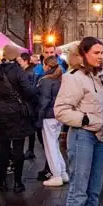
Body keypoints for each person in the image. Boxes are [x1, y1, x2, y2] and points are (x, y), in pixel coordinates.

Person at [55, 37, 103, 206]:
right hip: (83, 136)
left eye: (102, 53)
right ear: (84, 54)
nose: (101, 57)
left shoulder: (99, 77)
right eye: (97, 53)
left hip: (100, 136)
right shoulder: (74, 78)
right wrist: (86, 120)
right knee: (79, 188)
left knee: (94, 188)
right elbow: (61, 110)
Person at [0, 44, 37, 193]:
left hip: (0, 115)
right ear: (16, 56)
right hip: (17, 115)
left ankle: (2, 181)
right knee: (18, 149)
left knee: (2, 149)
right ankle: (17, 182)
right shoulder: (18, 72)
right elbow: (28, 91)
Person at [37, 56, 67, 187]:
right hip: (59, 115)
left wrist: (39, 118)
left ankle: (56, 175)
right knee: (54, 144)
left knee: (50, 146)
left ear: (47, 66)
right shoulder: (62, 78)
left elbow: (44, 101)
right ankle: (63, 172)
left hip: (48, 116)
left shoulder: (46, 81)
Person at [20, 52, 41, 160]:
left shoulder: (29, 73)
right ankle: (30, 149)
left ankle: (31, 150)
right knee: (31, 128)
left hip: (30, 104)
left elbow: (29, 90)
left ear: (25, 61)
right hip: (30, 104)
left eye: (20, 61)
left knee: (31, 128)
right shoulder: (29, 71)